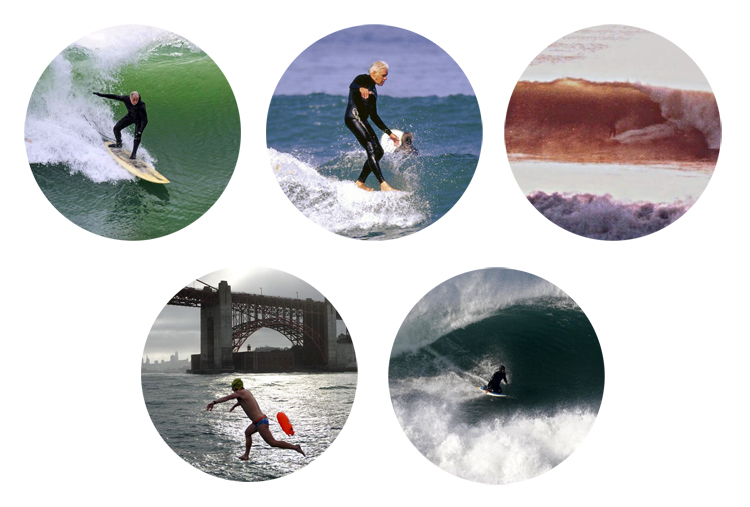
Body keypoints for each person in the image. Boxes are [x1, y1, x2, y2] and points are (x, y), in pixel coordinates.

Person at [206, 378, 304, 460]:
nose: (232, 389)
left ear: (235, 387)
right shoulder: (246, 392)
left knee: (272, 443)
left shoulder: (239, 393)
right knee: (247, 433)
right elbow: (247, 401)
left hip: (260, 422)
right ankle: (246, 455)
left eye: (232, 387)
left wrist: (214, 402)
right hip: (259, 421)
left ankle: (295, 447)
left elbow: (227, 398)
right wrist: (235, 405)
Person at [345, 61, 400, 192]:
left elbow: (374, 115)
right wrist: (360, 88)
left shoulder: (374, 90)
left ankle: (360, 183)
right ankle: (383, 184)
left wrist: (389, 133)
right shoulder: (363, 78)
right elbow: (353, 85)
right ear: (374, 73)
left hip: (363, 120)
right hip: (353, 118)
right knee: (370, 147)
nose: (385, 78)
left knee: (379, 152)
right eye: (383, 75)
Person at [93, 90, 148, 160]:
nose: (135, 102)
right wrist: (101, 95)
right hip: (130, 116)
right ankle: (118, 144)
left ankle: (134, 153)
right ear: (130, 98)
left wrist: (140, 131)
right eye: (133, 100)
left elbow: (145, 120)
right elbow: (114, 96)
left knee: (137, 136)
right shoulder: (126, 99)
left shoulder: (141, 105)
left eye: (137, 100)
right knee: (116, 128)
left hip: (139, 121)